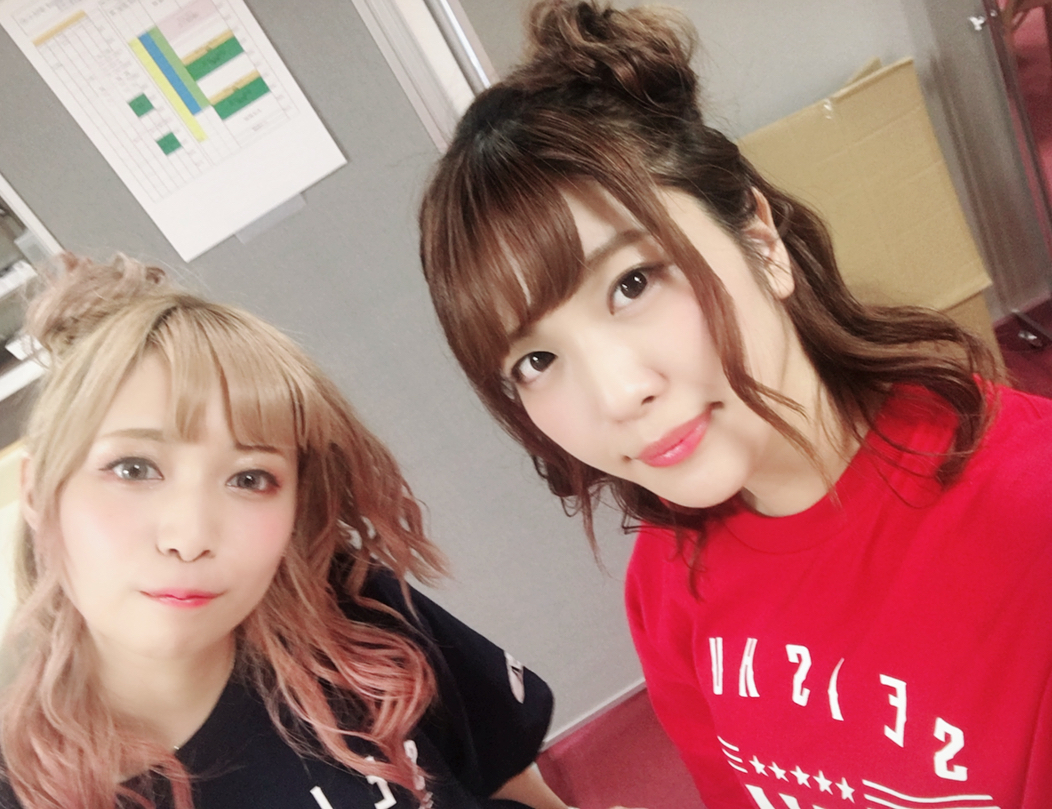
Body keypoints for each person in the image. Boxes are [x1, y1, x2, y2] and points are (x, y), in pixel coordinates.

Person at [418, 2, 1052, 807]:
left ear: (759, 238)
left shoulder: (1028, 522)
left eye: (634, 283)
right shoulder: (665, 578)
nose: (620, 394)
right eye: (537, 360)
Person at [0, 254, 570, 809]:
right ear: (38, 492)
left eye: (250, 478)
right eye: (133, 469)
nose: (190, 538)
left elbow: (512, 790)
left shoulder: (357, 618)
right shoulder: (4, 791)